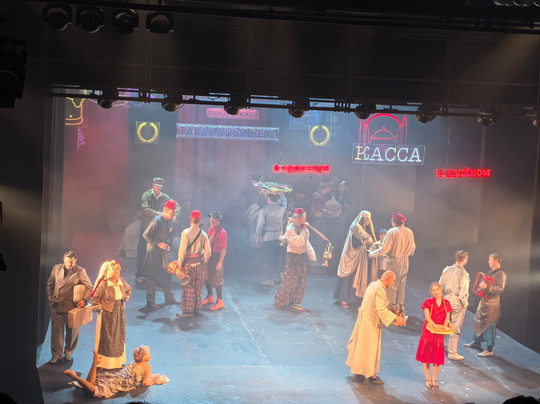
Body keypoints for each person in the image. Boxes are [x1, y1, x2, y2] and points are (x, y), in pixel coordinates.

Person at [346, 271, 407, 385]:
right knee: (370, 349)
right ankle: (369, 374)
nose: (392, 284)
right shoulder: (380, 290)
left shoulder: (373, 284)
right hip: (371, 323)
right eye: (392, 281)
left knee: (362, 347)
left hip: (365, 321)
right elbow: (381, 309)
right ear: (387, 279)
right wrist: (396, 318)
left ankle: (359, 372)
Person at [63, 346, 169, 398]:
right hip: (121, 383)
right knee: (96, 391)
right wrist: (153, 381)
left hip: (117, 376)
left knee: (91, 382)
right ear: (144, 357)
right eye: (148, 354)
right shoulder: (147, 366)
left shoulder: (133, 362)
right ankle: (75, 377)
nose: (150, 355)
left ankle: (95, 363)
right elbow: (145, 382)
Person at [46, 250, 93, 363]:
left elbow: (89, 287)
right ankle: (56, 354)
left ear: (75, 261)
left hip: (73, 308)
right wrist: (51, 299)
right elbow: (50, 284)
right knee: (56, 334)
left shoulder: (80, 271)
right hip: (57, 305)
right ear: (63, 260)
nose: (69, 264)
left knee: (72, 333)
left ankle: (69, 352)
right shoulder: (56, 268)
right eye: (67, 261)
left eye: (71, 262)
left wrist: (84, 300)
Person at [369, 212, 415, 312]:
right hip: (405, 261)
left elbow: (384, 249)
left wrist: (372, 254)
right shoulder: (409, 231)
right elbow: (412, 249)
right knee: (402, 286)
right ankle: (400, 310)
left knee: (392, 286)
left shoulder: (392, 232)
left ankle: (390, 311)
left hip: (394, 261)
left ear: (394, 222)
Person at [140, 199, 180, 311]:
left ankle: (170, 298)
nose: (173, 214)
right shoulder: (156, 221)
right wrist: (157, 243)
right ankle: (151, 302)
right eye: (172, 212)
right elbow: (146, 235)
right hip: (153, 251)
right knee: (152, 276)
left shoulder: (169, 221)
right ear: (166, 210)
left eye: (174, 212)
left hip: (162, 251)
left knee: (166, 273)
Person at [92, 260, 132, 369]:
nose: (119, 273)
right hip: (107, 314)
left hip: (119, 313)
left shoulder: (121, 281)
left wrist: (125, 299)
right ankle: (102, 363)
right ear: (111, 272)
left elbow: (128, 290)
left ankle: (118, 362)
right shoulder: (104, 284)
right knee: (107, 339)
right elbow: (95, 300)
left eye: (119, 271)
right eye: (116, 271)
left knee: (118, 337)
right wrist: (103, 309)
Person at [464, 253, 506, 357]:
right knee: (478, 321)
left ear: (496, 260)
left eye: (490, 260)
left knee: (489, 325)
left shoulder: (501, 273)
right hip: (485, 301)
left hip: (492, 303)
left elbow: (500, 288)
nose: (488, 262)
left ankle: (489, 349)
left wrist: (486, 287)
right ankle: (476, 342)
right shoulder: (491, 271)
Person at [136, 177, 178, 284]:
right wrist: (158, 213)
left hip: (159, 229)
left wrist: (175, 215)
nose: (158, 188)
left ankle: (156, 277)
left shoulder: (164, 196)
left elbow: (177, 205)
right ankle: (140, 274)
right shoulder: (146, 195)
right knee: (143, 251)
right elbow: (145, 208)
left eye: (160, 186)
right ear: (153, 185)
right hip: (148, 227)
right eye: (156, 185)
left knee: (159, 253)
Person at [274, 208, 316, 311]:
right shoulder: (290, 229)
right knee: (289, 280)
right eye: (303, 218)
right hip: (292, 256)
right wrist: (304, 230)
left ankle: (295, 302)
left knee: (301, 280)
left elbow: (306, 242)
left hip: (302, 255)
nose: (304, 220)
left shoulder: (304, 229)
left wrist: (312, 255)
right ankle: (281, 301)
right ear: (297, 218)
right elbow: (298, 242)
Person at [334, 211, 375, 309]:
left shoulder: (363, 228)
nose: (368, 221)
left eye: (369, 219)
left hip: (359, 257)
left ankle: (354, 299)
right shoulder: (355, 227)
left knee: (357, 278)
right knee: (349, 278)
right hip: (352, 256)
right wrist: (365, 242)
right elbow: (355, 242)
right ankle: (343, 299)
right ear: (362, 219)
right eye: (366, 219)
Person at [415, 282, 452, 390]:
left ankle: (434, 379)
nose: (436, 292)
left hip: (439, 334)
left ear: (441, 290)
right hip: (429, 331)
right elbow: (427, 318)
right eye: (433, 290)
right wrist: (435, 326)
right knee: (426, 356)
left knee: (437, 357)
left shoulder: (446, 303)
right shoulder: (428, 302)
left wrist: (444, 327)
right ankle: (428, 379)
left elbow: (447, 318)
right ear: (431, 292)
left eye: (437, 289)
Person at [176, 210, 212, 318]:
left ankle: (187, 312)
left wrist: (179, 263)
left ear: (190, 220)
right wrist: (203, 260)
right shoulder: (204, 234)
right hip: (199, 265)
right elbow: (208, 252)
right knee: (198, 287)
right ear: (200, 221)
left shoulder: (185, 232)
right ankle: (197, 309)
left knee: (188, 288)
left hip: (188, 265)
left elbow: (182, 251)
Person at [439, 250, 470, 360]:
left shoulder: (446, 270)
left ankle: (439, 347)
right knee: (455, 327)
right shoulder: (463, 273)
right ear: (464, 259)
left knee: (444, 324)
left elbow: (440, 286)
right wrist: (464, 304)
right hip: (457, 300)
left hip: (445, 299)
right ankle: (452, 352)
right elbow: (463, 291)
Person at [256, 193, 286, 286]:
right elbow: (285, 201)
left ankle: (270, 280)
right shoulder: (282, 208)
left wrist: (258, 237)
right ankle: (281, 276)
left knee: (269, 259)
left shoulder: (264, 210)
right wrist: (282, 194)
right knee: (279, 258)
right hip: (279, 237)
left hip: (267, 238)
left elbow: (260, 226)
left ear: (268, 199)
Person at [201, 211, 227, 311]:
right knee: (207, 276)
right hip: (209, 256)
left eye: (214, 220)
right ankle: (210, 296)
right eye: (211, 220)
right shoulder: (210, 229)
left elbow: (223, 249)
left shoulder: (222, 232)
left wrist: (220, 262)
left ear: (219, 221)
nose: (212, 222)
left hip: (216, 257)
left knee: (217, 279)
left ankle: (220, 301)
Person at [117, 210, 142, 277]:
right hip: (139, 255)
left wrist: (120, 250)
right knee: (138, 274)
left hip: (129, 255)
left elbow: (123, 243)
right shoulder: (143, 227)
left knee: (130, 275)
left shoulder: (128, 227)